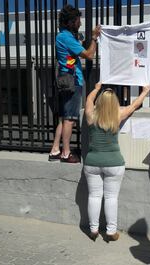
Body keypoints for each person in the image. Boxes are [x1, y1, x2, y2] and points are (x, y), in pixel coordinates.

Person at [83, 82, 150, 241]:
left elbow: (88, 100)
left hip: (92, 162)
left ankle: (93, 230)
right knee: (111, 197)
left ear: (99, 102)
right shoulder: (117, 115)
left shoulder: (90, 115)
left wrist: (96, 88)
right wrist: (145, 91)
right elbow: (135, 104)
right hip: (114, 163)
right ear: (115, 103)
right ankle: (110, 232)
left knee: (94, 196)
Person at [49, 4, 101, 163]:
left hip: (66, 80)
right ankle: (66, 153)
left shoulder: (63, 36)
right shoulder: (66, 38)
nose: (80, 23)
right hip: (73, 81)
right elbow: (89, 55)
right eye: (78, 20)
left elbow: (76, 51)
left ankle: (55, 150)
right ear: (71, 22)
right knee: (70, 118)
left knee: (64, 117)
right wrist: (93, 38)